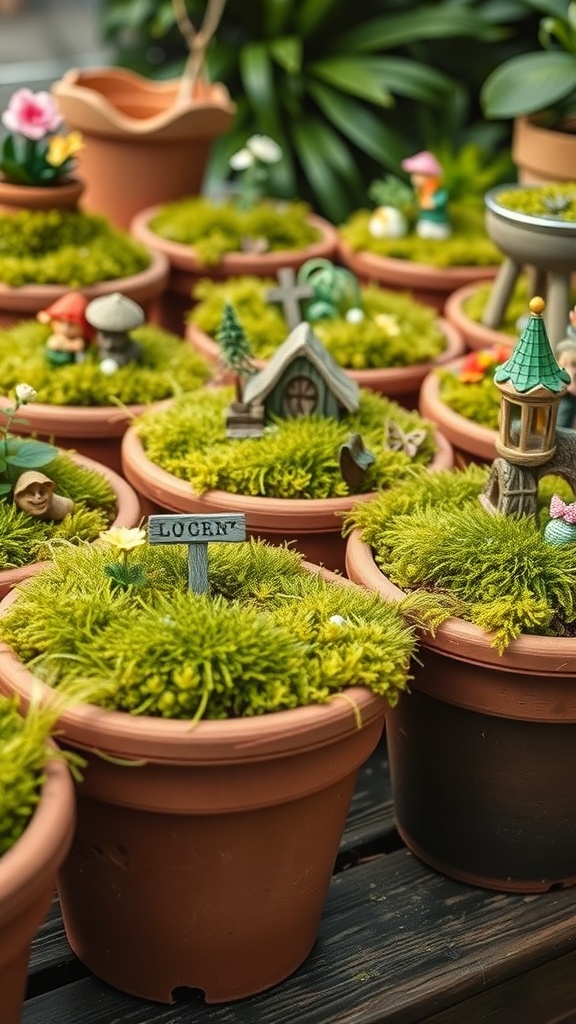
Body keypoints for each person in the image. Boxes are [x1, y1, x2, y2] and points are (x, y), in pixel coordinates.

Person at [401, 151, 451, 240]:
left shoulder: (438, 192)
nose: (414, 178)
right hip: (425, 223)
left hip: (439, 224)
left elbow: (441, 200)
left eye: (418, 175)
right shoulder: (420, 193)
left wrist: (432, 203)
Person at [37, 291, 92, 366]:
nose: (66, 328)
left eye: (72, 324)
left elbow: (79, 347)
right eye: (61, 321)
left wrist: (70, 346)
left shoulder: (79, 341)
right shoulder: (56, 338)